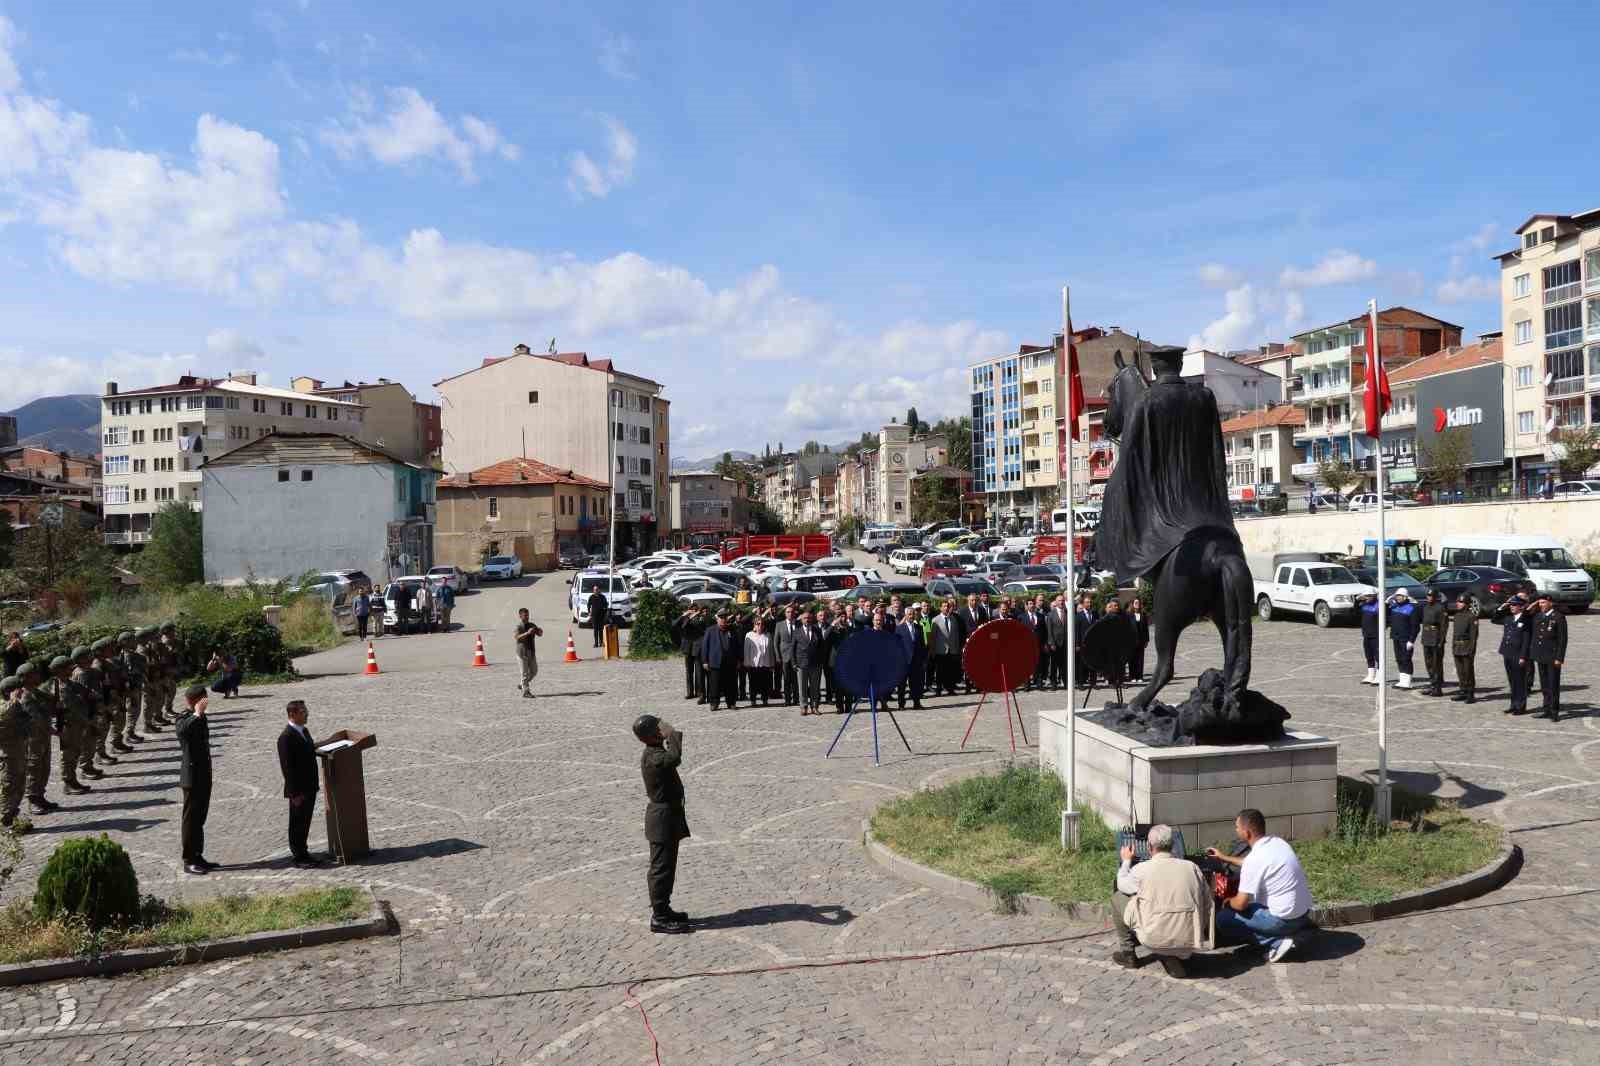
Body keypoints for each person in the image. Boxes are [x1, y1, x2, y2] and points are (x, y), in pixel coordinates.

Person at [1207, 808, 1314, 963]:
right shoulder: (1278, 843)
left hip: (1283, 921)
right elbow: (1252, 863)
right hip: (1302, 915)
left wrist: (1227, 901)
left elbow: (1241, 904)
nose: (1235, 830)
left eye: (1237, 827)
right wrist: (1224, 857)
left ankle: (1276, 942)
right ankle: (1294, 933)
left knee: (1223, 919)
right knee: (1255, 904)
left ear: (1247, 833)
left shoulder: (1255, 859)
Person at [1111, 824, 1214, 977]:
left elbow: (1122, 885)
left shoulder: (1142, 869)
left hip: (1154, 938)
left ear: (1149, 846)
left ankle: (1128, 953)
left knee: (1118, 897)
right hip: (1191, 938)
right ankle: (1177, 953)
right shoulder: (1192, 867)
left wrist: (1126, 861)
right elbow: (1208, 902)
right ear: (1173, 845)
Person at [634, 714, 690, 934]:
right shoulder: (653, 756)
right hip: (662, 819)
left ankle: (664, 909)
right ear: (651, 735)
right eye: (658, 727)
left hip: (668, 816)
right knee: (661, 869)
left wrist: (666, 736)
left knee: (667, 867)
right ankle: (659, 916)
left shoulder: (655, 752)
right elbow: (674, 758)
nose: (662, 728)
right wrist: (673, 735)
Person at [278, 700, 326, 868]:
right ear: (292, 714)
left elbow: (310, 749)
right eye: (303, 712)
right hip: (299, 790)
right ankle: (298, 856)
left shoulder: (304, 731)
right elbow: (287, 768)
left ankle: (304, 852)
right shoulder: (286, 737)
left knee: (305, 821)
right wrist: (293, 793)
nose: (307, 714)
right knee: (297, 823)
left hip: (310, 785)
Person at [175, 684, 217, 875]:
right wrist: (197, 714)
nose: (205, 702)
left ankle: (198, 855)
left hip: (203, 774)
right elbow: (183, 732)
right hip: (191, 776)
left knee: (200, 818)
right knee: (190, 819)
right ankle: (188, 859)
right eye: (202, 699)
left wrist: (200, 715)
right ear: (194, 700)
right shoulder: (184, 717)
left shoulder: (200, 717)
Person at [16, 662, 57, 816]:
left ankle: (40, 796)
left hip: (42, 735)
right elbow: (35, 718)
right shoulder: (25, 695)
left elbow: (50, 701)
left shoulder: (36, 692)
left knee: (45, 766)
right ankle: (33, 799)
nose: (38, 676)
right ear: (25, 677)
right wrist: (51, 728)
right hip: (33, 737)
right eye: (34, 674)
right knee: (34, 767)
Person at [48, 655, 92, 796]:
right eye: (67, 667)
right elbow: (67, 707)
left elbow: (86, 692)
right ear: (59, 670)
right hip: (67, 725)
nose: (70, 669)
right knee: (68, 755)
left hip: (77, 724)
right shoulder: (57, 687)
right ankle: (68, 782)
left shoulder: (69, 683)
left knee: (76, 752)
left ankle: (73, 779)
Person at [1529, 593, 1568, 721]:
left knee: (1553, 685)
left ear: (1550, 603)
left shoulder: (1558, 617)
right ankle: (1546, 709)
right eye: (1539, 603)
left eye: (1543, 603)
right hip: (1541, 655)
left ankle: (1554, 711)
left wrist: (1559, 658)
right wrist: (1533, 604)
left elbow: (1563, 640)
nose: (1541, 605)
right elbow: (1525, 615)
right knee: (1544, 684)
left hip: (1552, 656)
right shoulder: (1538, 616)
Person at [1493, 595, 1533, 714]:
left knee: (1520, 681)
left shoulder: (1526, 620)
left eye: (1514, 605)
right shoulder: (1509, 618)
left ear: (1521, 607)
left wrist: (1523, 656)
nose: (1512, 607)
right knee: (1512, 680)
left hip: (1518, 654)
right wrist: (1502, 607)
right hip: (1507, 652)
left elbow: (1526, 640)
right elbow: (1494, 619)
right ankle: (1513, 704)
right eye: (1511, 605)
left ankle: (1521, 706)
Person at [0, 676, 29, 828]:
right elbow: (3, 716)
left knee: (20, 786)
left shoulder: (17, 706)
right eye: (19, 689)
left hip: (19, 753)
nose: (22, 691)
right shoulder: (5, 706)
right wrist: (13, 700)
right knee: (8, 787)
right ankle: (4, 820)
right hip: (7, 756)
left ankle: (11, 816)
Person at [701, 612, 741, 712]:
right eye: (721, 618)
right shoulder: (710, 630)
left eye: (725, 618)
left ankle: (731, 703)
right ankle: (714, 703)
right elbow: (705, 646)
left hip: (730, 662)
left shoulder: (732, 630)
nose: (723, 620)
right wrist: (705, 661)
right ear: (717, 619)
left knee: (730, 684)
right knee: (714, 685)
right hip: (715, 662)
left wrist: (739, 660)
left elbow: (737, 646)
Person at [929, 599, 966, 697]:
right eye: (944, 606)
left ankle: (950, 689)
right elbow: (933, 637)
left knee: (951, 670)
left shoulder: (953, 619)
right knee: (940, 671)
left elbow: (955, 635)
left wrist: (957, 649)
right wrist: (932, 650)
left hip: (952, 650)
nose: (946, 608)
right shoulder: (935, 620)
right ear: (940, 608)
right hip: (940, 650)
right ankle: (939, 689)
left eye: (947, 606)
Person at [792, 608, 826, 714]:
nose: (807, 620)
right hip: (801, 663)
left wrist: (821, 661)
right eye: (805, 618)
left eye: (809, 618)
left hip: (815, 663)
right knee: (802, 687)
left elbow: (821, 647)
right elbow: (792, 648)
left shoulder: (817, 630)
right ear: (801, 620)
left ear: (812, 619)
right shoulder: (797, 631)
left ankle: (815, 706)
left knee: (815, 687)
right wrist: (793, 663)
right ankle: (803, 706)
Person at [1448, 592, 1479, 704]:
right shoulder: (1456, 616)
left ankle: (1470, 693)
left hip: (1466, 647)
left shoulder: (1472, 617)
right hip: (1457, 646)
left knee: (1468, 671)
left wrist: (1471, 650)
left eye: (1461, 602)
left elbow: (1473, 636)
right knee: (1460, 671)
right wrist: (1453, 646)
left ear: (1466, 604)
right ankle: (1463, 691)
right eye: (1458, 601)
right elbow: (1455, 634)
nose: (1458, 604)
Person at [671, 606, 705, 701]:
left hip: (697, 647)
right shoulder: (685, 619)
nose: (693, 611)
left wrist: (695, 615)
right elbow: (675, 625)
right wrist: (684, 615)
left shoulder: (700, 619)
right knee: (689, 671)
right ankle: (690, 692)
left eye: (695, 609)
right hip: (687, 648)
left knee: (699, 671)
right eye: (691, 609)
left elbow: (699, 628)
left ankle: (700, 693)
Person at [896, 605, 927, 710]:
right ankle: (901, 704)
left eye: (913, 614)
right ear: (905, 615)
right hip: (904, 662)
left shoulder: (919, 627)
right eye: (909, 614)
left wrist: (923, 658)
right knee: (902, 685)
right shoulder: (899, 629)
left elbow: (922, 645)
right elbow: (897, 645)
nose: (911, 616)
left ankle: (916, 702)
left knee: (915, 684)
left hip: (916, 661)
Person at [1418, 590, 1447, 697]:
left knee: (1436, 664)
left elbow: (1444, 626)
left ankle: (1437, 687)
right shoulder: (1425, 607)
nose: (1429, 597)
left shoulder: (1440, 608)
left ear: (1435, 597)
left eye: (1431, 595)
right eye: (1428, 595)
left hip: (1436, 638)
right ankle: (1432, 684)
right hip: (1426, 638)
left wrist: (1441, 640)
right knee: (1428, 663)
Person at [1387, 589, 1418, 689]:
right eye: (1397, 596)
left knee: (1406, 659)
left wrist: (1411, 640)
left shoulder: (1411, 609)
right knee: (1399, 659)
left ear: (1405, 597)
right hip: (1396, 637)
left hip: (1406, 638)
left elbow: (1415, 627)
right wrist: (1386, 602)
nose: (1398, 598)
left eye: (1400, 596)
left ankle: (1407, 681)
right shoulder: (1394, 607)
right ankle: (1402, 680)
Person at [743, 616, 775, 707]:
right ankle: (753, 700)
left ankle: (765, 699)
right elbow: (746, 650)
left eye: (762, 624)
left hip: (765, 663)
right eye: (758, 624)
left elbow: (770, 650)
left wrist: (772, 663)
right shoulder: (749, 635)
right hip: (753, 664)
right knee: (753, 683)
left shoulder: (768, 635)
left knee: (765, 683)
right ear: (754, 625)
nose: (760, 626)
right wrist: (747, 663)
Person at [514, 608, 543, 698]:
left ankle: (522, 684)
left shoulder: (532, 625)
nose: (527, 617)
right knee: (524, 673)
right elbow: (517, 637)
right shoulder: (519, 626)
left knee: (534, 671)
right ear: (520, 616)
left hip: (531, 652)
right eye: (525, 615)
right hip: (522, 653)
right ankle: (526, 691)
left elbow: (539, 634)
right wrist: (527, 633)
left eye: (527, 615)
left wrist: (539, 631)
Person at [775, 605, 800, 707]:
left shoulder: (798, 624)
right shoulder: (779, 624)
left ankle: (796, 699)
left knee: (796, 679)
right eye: (788, 612)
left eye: (792, 612)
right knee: (786, 679)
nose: (790, 613)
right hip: (784, 655)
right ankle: (787, 700)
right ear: (785, 614)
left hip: (797, 656)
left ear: (795, 613)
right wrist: (777, 656)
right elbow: (776, 642)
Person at [1358, 592, 1381, 684]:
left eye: (1369, 596)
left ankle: (1379, 676)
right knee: (1369, 655)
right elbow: (1356, 613)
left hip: (1376, 635)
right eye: (1366, 596)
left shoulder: (1379, 605)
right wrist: (1357, 601)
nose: (1366, 598)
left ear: (1374, 596)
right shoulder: (1364, 605)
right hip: (1366, 634)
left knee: (1378, 656)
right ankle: (1371, 675)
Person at [1127, 596, 1150, 683]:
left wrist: (1147, 640)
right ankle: (1132, 676)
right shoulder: (1129, 615)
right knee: (1132, 659)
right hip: (1131, 641)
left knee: (1140, 659)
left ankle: (1139, 676)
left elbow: (1146, 629)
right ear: (1132, 604)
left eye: (1138, 603)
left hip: (1141, 640)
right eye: (1135, 603)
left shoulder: (1143, 615)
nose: (1137, 604)